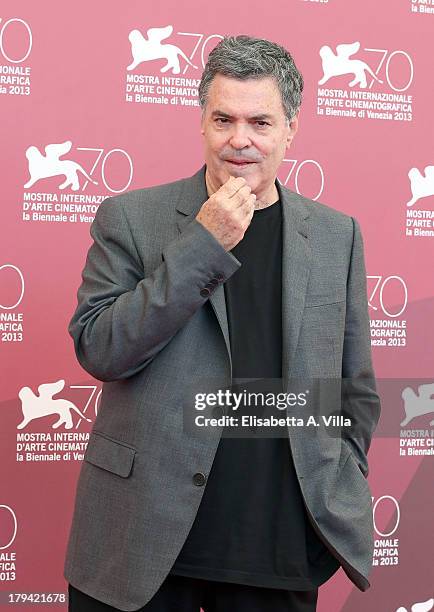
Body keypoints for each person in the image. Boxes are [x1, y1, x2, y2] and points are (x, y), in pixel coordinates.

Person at [65, 35, 381, 612]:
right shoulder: (132, 218)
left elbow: (353, 383)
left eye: (260, 122)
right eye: (223, 119)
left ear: (291, 129)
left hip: (278, 547)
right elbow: (100, 348)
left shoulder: (338, 236)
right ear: (202, 123)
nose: (240, 139)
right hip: (141, 544)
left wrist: (341, 474)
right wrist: (201, 246)